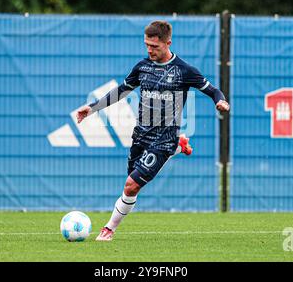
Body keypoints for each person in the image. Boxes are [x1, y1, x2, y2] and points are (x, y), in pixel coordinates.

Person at [76, 20, 230, 241]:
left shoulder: (183, 70)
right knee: (130, 182)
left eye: (155, 46)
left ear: (168, 43)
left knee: (131, 186)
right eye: (147, 45)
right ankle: (179, 146)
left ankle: (108, 229)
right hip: (141, 135)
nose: (150, 50)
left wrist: (221, 102)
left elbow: (213, 90)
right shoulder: (142, 67)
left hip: (164, 138)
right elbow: (122, 91)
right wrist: (92, 108)